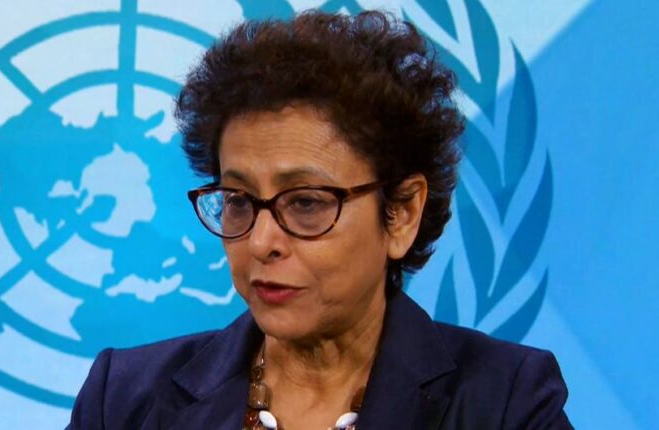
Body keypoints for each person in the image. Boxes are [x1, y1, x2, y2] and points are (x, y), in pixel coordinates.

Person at [68, 10, 571, 429]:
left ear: (401, 213)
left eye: (305, 203)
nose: (261, 241)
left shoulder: (507, 403)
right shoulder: (124, 400)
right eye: (239, 200)